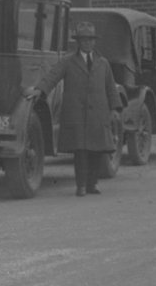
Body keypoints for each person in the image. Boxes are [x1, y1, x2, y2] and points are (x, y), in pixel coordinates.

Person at [29, 18, 122, 196]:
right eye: (83, 40)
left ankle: (92, 184)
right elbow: (53, 76)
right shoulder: (68, 61)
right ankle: (80, 186)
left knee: (96, 151)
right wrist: (40, 90)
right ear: (78, 42)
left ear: (94, 42)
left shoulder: (103, 63)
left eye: (90, 40)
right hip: (76, 114)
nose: (87, 43)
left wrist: (114, 110)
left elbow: (111, 88)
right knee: (80, 152)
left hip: (98, 115)